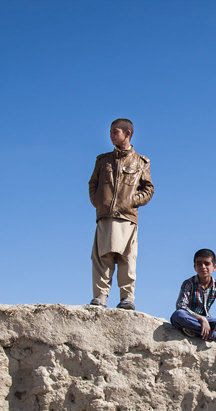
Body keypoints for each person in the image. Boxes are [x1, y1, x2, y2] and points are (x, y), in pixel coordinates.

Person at [88, 118, 155, 309]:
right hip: (105, 215)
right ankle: (100, 296)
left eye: (115, 132)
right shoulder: (102, 160)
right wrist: (99, 202)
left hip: (127, 217)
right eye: (110, 132)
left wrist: (132, 201)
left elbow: (149, 188)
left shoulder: (140, 162)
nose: (111, 135)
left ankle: (127, 297)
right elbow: (93, 183)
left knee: (127, 257)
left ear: (127, 133)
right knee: (102, 257)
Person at [170, 249, 216, 340]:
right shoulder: (188, 284)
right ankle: (215, 334)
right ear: (194, 267)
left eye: (207, 263)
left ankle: (197, 332)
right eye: (199, 264)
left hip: (210, 321)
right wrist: (201, 319)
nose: (203, 267)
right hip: (192, 319)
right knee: (178, 315)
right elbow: (181, 306)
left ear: (214, 267)